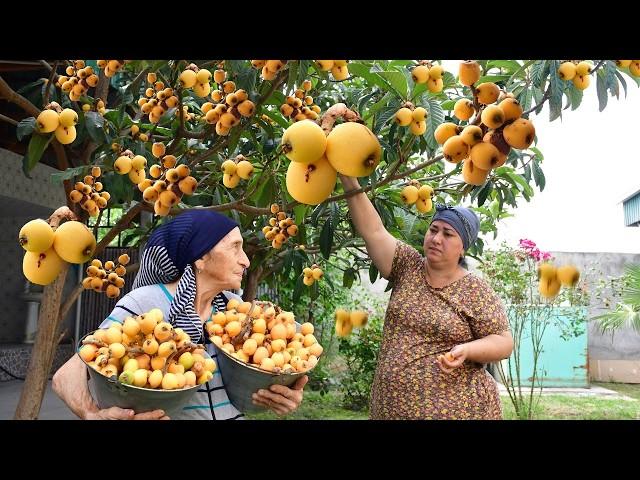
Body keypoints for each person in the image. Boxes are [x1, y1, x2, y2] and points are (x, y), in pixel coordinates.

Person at [52, 209, 307, 420]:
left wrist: (282, 391)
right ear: (201, 258)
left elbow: (248, 377)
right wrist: (91, 414)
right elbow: (67, 376)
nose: (246, 261)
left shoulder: (234, 308)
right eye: (235, 248)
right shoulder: (147, 303)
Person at [340, 174, 513, 420]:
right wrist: (348, 179)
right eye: (434, 229)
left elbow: (504, 341)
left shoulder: (476, 290)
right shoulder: (407, 266)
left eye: (448, 234)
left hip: (459, 410)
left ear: (463, 246)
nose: (436, 239)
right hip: (391, 410)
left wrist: (468, 349)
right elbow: (374, 230)